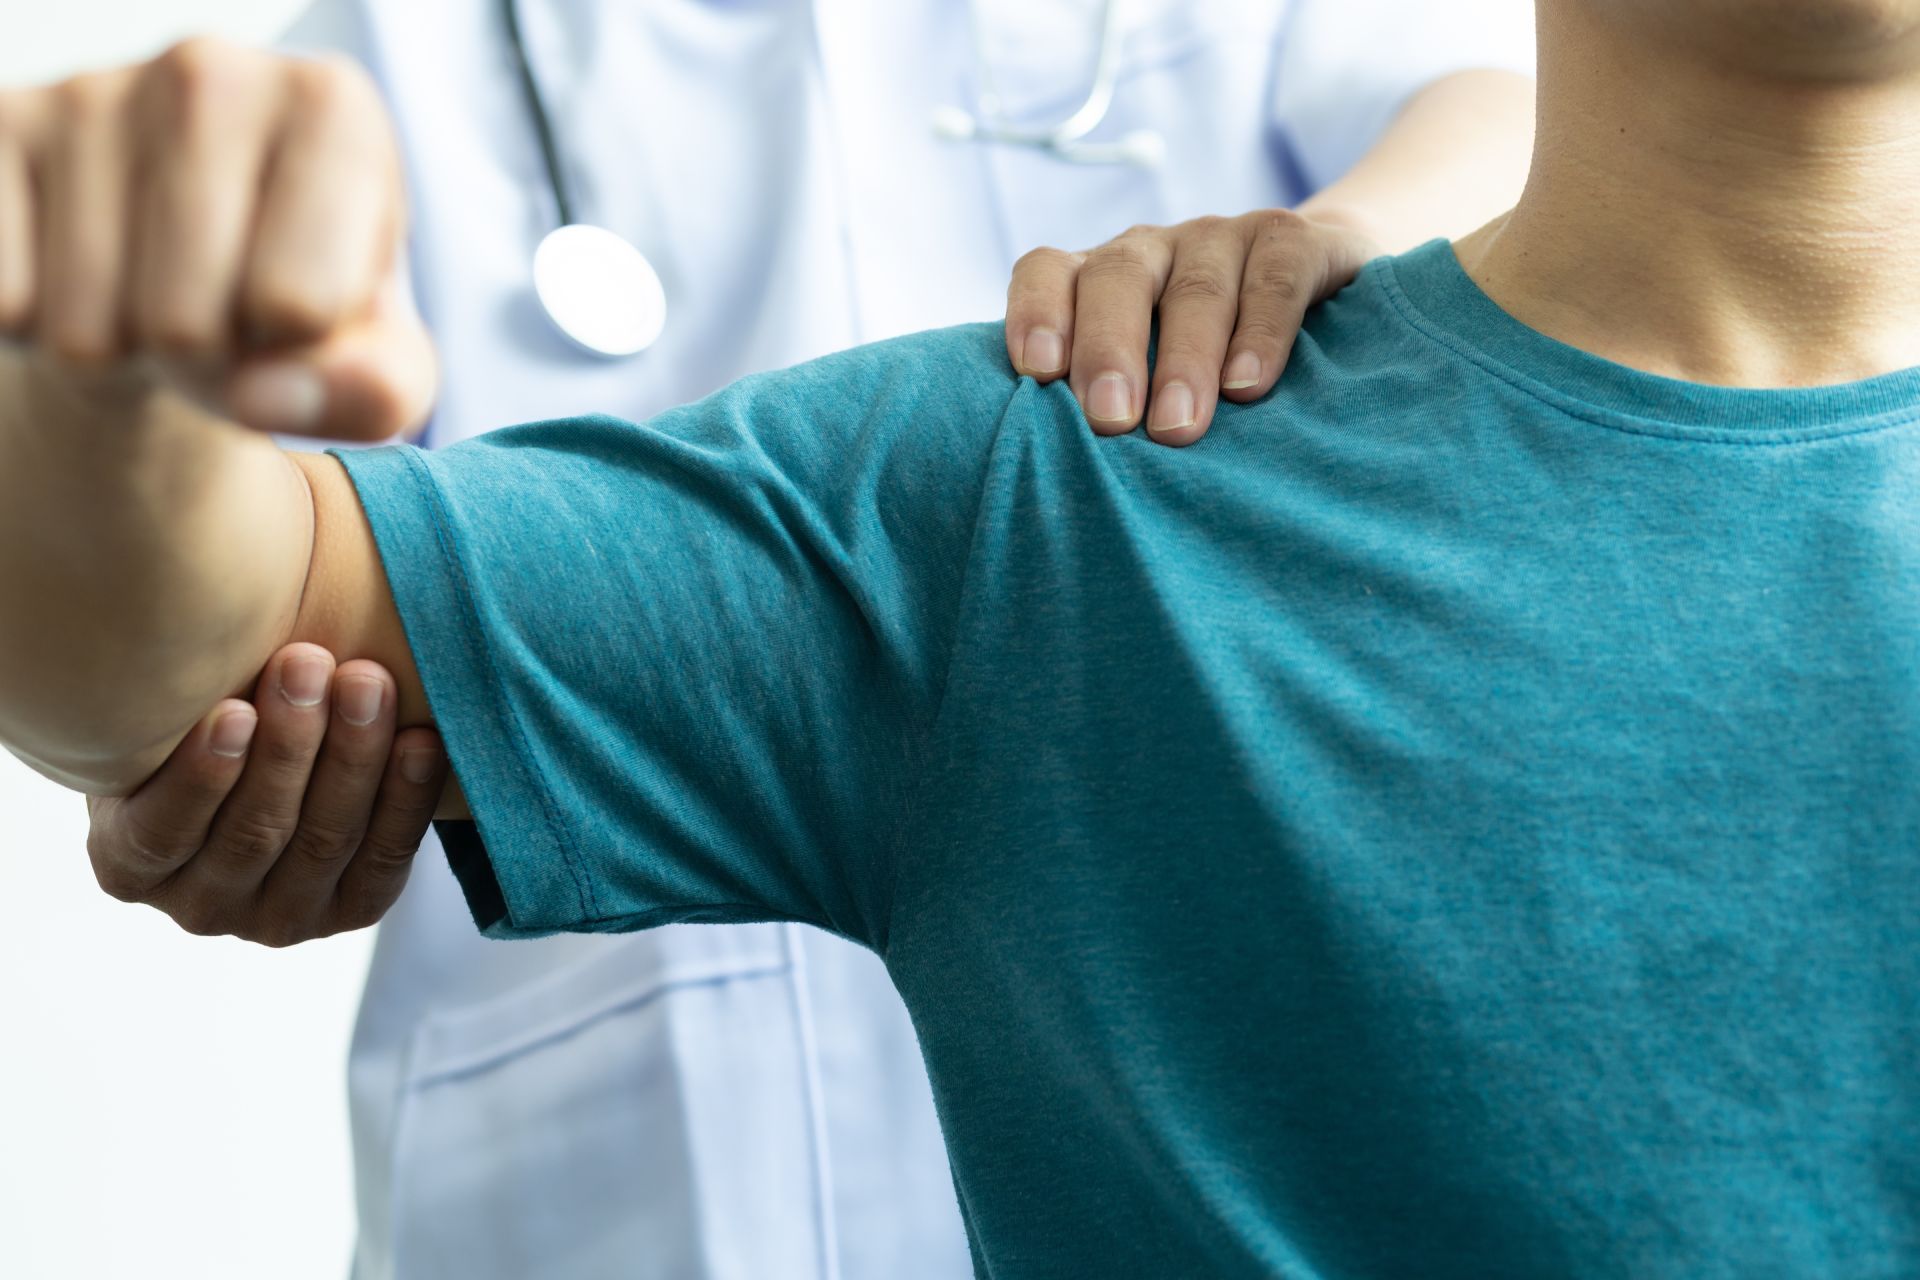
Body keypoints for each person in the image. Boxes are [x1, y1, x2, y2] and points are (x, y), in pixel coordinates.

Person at [10, 0, 1920, 1274]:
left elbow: (1527, 147)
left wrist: (1338, 248)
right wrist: (79, 390)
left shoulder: (1144, 438)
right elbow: (202, 614)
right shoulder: (997, 498)